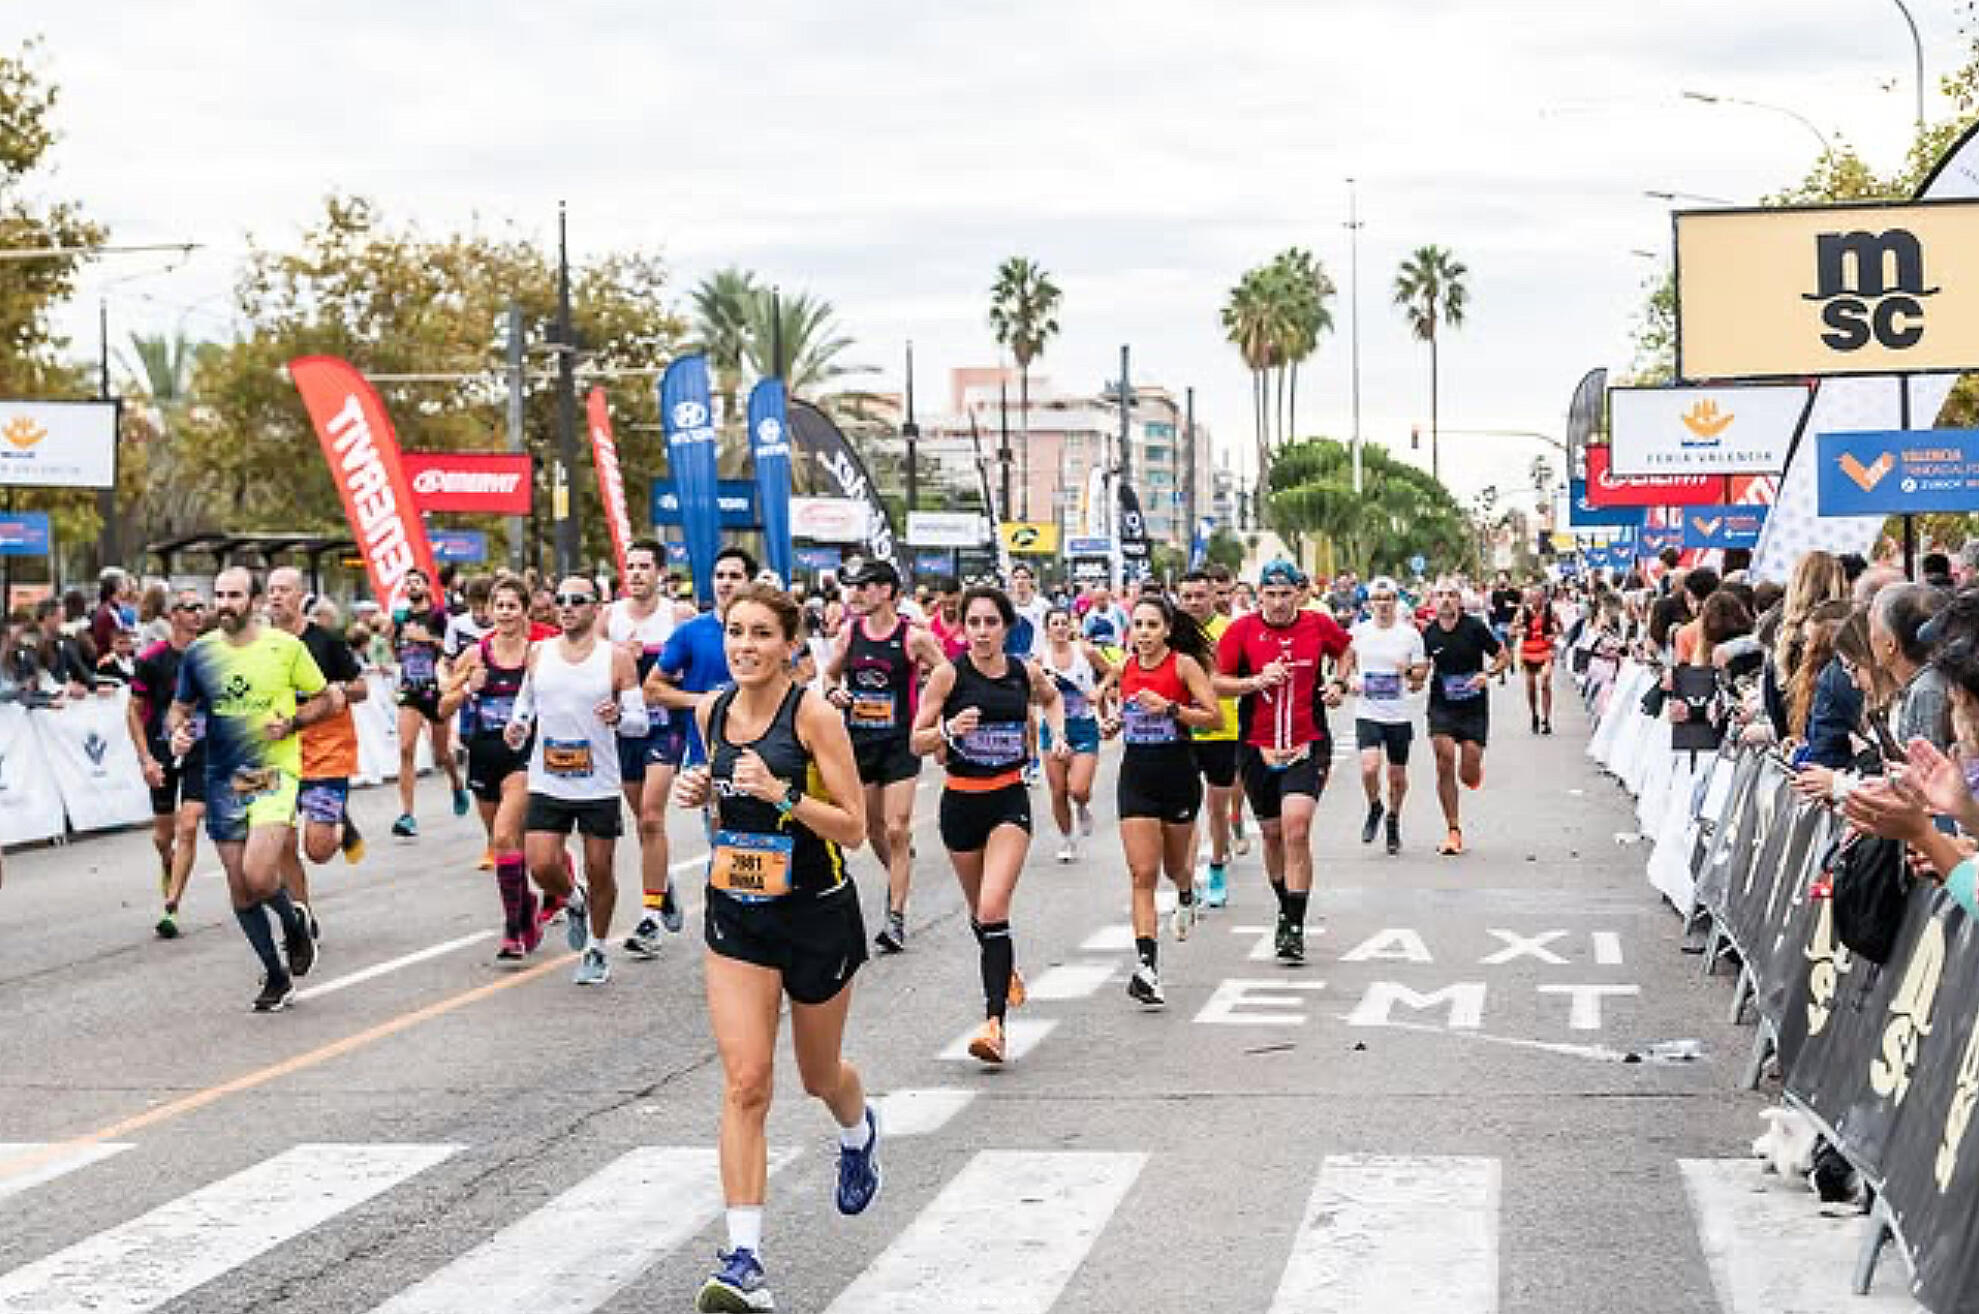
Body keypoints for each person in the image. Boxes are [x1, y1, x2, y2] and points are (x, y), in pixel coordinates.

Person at [672, 585, 877, 1314]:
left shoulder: (814, 715)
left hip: (816, 914)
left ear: (790, 644)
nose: (744, 646)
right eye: (735, 631)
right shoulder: (711, 710)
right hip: (738, 912)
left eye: (761, 633)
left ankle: (858, 1132)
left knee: (819, 1076)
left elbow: (855, 828)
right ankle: (744, 1261)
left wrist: (783, 795)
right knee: (746, 1083)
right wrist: (701, 788)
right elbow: (727, 798)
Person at [910, 585, 1069, 1065]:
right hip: (960, 803)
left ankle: (994, 1024)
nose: (981, 632)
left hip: (1007, 799)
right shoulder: (948, 675)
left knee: (993, 905)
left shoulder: (1023, 672)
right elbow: (916, 740)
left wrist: (1057, 735)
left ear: (1006, 627)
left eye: (991, 623)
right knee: (981, 915)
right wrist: (947, 730)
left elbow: (1052, 699)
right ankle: (1004, 968)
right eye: (973, 623)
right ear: (963, 628)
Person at [167, 568, 333, 1012]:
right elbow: (178, 709)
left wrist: (293, 722)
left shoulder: (285, 647)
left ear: (254, 601)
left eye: (234, 595)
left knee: (259, 875)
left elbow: (327, 698)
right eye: (219, 595)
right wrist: (177, 732)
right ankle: (277, 975)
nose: (224, 604)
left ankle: (293, 923)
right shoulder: (200, 652)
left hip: (271, 771)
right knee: (241, 889)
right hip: (223, 777)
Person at [502, 576, 647, 986]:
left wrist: (619, 717)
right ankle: (573, 898)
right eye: (561, 600)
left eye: (577, 600)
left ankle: (597, 948)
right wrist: (517, 725)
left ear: (596, 607)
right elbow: (526, 701)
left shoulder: (616, 658)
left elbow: (639, 723)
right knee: (541, 864)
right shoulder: (539, 652)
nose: (566, 607)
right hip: (548, 778)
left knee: (600, 868)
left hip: (598, 781)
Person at [1212, 560, 1352, 963]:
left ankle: (1294, 926)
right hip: (1257, 746)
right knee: (1272, 835)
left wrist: (1338, 683)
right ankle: (1286, 907)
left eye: (1285, 594)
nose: (1277, 603)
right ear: (1259, 596)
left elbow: (1345, 650)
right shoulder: (1241, 630)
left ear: (1299, 594)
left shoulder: (1317, 625)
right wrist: (1255, 681)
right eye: (1270, 595)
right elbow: (1217, 682)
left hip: (1308, 742)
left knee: (1296, 827)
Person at [825, 556, 946, 954]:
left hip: (900, 743)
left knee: (896, 827)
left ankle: (895, 917)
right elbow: (829, 674)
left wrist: (931, 716)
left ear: (887, 591)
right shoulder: (849, 633)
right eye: (853, 587)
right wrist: (833, 691)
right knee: (870, 829)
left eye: (864, 587)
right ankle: (899, 867)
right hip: (859, 743)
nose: (855, 595)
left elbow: (947, 674)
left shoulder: (914, 637)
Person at [1107, 595, 1221, 1007]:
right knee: (1142, 873)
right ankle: (1147, 968)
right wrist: (1113, 723)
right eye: (1138, 625)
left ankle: (1187, 891)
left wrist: (1172, 709)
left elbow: (1214, 717)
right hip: (1136, 776)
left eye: (1152, 625)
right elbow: (1122, 712)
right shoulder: (1125, 667)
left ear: (1168, 630)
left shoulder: (1183, 665)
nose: (1144, 633)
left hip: (1178, 775)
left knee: (1175, 868)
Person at [443, 575, 541, 959]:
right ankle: (525, 905)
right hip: (483, 754)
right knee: (506, 846)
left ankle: (512, 930)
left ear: (524, 611)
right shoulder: (474, 655)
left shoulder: (537, 655)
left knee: (503, 837)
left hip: (523, 756)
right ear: (489, 610)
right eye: (499, 606)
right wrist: (469, 687)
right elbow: (442, 707)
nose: (504, 613)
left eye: (512, 606)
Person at [267, 568, 368, 931]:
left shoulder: (325, 640)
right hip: (277, 754)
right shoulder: (260, 644)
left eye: (284, 590)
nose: (276, 596)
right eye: (271, 590)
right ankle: (302, 918)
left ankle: (341, 826)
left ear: (300, 596)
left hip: (327, 753)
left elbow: (362, 688)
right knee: (279, 840)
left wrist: (340, 691)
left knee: (318, 850)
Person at [606, 539, 691, 960]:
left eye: (644, 566)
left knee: (653, 815)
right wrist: (619, 662)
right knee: (642, 820)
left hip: (665, 727)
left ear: (660, 572)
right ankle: (662, 881)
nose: (636, 574)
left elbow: (695, 664)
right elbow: (590, 666)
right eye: (631, 566)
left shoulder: (678, 616)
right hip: (625, 729)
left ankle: (650, 917)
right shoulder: (610, 617)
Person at [128, 588, 208, 939]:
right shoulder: (151, 660)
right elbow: (133, 711)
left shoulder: (212, 655)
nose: (197, 613)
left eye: (200, 607)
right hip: (162, 749)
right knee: (163, 837)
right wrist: (146, 758)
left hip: (200, 750)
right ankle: (168, 863)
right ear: (172, 615)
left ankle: (171, 907)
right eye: (189, 608)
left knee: (188, 824)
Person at [1421, 578, 1509, 856]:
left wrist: (1488, 674)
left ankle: (1472, 771)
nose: (1446, 600)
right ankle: (1453, 829)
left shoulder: (1474, 628)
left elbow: (1503, 657)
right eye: (1440, 595)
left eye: (1452, 595)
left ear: (1460, 601)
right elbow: (1421, 669)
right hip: (1442, 704)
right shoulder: (1428, 633)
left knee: (1468, 772)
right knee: (1444, 758)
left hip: (1473, 706)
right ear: (1433, 601)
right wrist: (1410, 675)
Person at [649, 546, 757, 767]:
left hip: (759, 754)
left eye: (734, 576)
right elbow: (651, 689)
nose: (725, 583)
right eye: (719, 576)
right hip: (703, 757)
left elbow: (802, 672)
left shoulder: (767, 631)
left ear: (750, 583)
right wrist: (704, 701)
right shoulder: (690, 631)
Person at [1349, 577, 1429, 855]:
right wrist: (1350, 681)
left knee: (1397, 776)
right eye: (1377, 599)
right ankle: (1375, 806)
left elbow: (1420, 674)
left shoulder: (1410, 635)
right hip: (1367, 711)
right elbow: (1345, 664)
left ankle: (1393, 818)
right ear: (1369, 603)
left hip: (1398, 714)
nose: (1383, 605)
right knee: (1369, 767)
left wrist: (1407, 671)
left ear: (1396, 602)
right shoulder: (1358, 633)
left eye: (1388, 599)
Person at [389, 567, 469, 836]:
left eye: (416, 582)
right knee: (405, 749)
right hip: (410, 690)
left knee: (441, 753)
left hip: (436, 691)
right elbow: (395, 649)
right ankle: (407, 815)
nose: (411, 586)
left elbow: (453, 650)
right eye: (408, 582)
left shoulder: (439, 615)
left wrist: (428, 640)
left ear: (426, 587)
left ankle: (456, 783)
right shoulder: (401, 617)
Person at [1177, 571, 1240, 904]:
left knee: (1217, 807)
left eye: (1200, 596)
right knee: (1185, 810)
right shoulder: (1170, 631)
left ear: (1213, 596)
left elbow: (1241, 676)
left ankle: (1216, 866)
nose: (1193, 603)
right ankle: (1187, 881)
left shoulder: (1230, 630)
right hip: (1181, 730)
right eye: (1187, 597)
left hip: (1222, 730)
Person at [1037, 607, 1113, 863]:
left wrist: (1099, 691)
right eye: (1055, 623)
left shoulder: (1085, 651)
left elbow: (1112, 671)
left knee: (1078, 789)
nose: (1060, 628)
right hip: (1053, 730)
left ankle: (1081, 806)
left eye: (1064, 623)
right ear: (1047, 629)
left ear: (1071, 626)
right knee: (1058, 790)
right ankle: (1067, 839)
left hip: (1084, 726)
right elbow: (1028, 691)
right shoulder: (1040, 659)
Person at [1512, 584, 1560, 734]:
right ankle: (1534, 714)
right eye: (1533, 598)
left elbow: (1561, 628)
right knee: (1531, 685)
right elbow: (1511, 631)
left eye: (1539, 598)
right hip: (1528, 651)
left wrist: (1553, 635)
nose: (1536, 601)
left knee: (1545, 681)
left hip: (1546, 650)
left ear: (1544, 599)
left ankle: (1546, 719)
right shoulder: (1523, 613)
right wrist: (1520, 631)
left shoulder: (1550, 612)